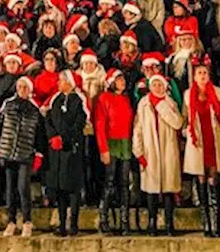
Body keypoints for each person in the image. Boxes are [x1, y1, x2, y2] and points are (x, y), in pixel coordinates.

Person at [0, 75, 45, 238]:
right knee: (10, 189)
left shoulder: (35, 109)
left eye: (25, 87)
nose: (22, 89)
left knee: (23, 188)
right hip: (7, 152)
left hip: (25, 153)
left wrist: (39, 153)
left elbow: (39, 134)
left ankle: (27, 221)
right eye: (20, 86)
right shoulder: (7, 105)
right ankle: (11, 221)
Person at [132, 73, 183, 236]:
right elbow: (138, 128)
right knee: (151, 189)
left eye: (160, 85)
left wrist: (162, 107)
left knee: (168, 188)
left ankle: (169, 223)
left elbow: (177, 123)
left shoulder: (170, 103)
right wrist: (138, 151)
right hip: (150, 151)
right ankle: (152, 223)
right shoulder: (143, 104)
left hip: (168, 150)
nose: (157, 88)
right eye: (154, 85)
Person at [182, 64, 220, 238]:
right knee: (200, 178)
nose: (202, 76)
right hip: (198, 142)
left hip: (213, 138)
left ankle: (217, 223)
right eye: (199, 73)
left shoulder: (216, 92)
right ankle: (206, 223)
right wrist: (187, 132)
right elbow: (185, 117)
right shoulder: (189, 95)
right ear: (194, 77)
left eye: (205, 73)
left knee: (214, 178)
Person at [44, 70, 88, 237]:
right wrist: (53, 137)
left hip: (72, 149)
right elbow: (48, 120)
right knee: (60, 188)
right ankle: (62, 224)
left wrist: (65, 138)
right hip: (57, 151)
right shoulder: (56, 100)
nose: (58, 83)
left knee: (73, 189)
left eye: (61, 80)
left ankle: (74, 224)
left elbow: (79, 123)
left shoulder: (78, 101)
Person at [94, 68, 134, 235]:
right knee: (109, 182)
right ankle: (104, 219)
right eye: (119, 79)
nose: (122, 82)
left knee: (124, 183)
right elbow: (99, 124)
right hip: (111, 143)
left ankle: (124, 221)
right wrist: (103, 149)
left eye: (123, 79)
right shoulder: (104, 98)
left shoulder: (126, 99)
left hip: (125, 143)